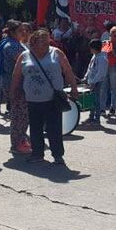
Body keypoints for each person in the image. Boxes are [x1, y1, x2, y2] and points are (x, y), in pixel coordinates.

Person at [12, 29, 79, 165]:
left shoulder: (56, 53)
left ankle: (57, 155)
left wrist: (73, 87)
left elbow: (68, 70)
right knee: (35, 128)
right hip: (32, 99)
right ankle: (37, 153)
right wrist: (12, 92)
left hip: (53, 99)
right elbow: (16, 75)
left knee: (54, 128)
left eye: (47, 40)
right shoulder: (24, 56)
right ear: (33, 42)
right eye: (42, 40)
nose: (46, 43)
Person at [7, 23, 33, 154]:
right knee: (19, 116)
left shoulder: (17, 44)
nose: (24, 32)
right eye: (20, 30)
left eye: (26, 30)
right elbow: (25, 63)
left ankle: (21, 140)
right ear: (12, 32)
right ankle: (18, 143)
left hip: (21, 86)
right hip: (17, 86)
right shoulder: (12, 46)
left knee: (21, 116)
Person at [83, 39, 109, 126]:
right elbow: (90, 68)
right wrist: (86, 77)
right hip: (92, 81)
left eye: (91, 48)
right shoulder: (95, 56)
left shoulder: (102, 58)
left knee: (96, 101)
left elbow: (101, 73)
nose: (90, 50)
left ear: (95, 48)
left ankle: (97, 119)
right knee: (91, 100)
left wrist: (93, 82)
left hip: (97, 82)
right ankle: (91, 117)